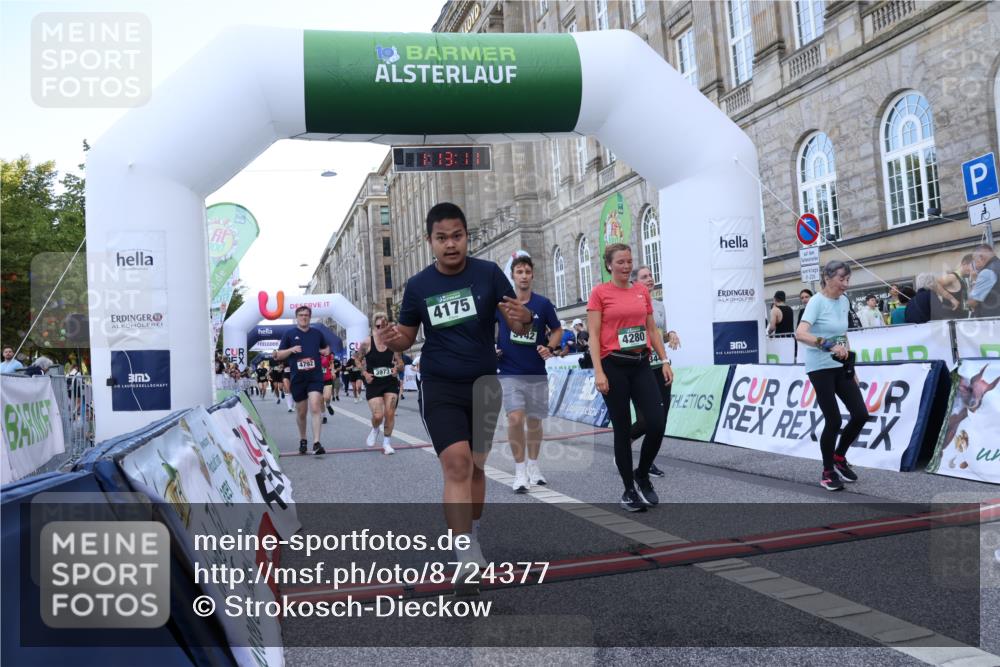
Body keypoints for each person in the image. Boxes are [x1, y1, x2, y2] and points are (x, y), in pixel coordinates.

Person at [381, 202, 533, 567]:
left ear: (466, 236)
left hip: (483, 385)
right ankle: (465, 553)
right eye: (442, 238)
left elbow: (518, 325)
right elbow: (406, 338)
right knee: (457, 464)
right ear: (429, 241)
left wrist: (525, 320)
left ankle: (470, 531)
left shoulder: (489, 274)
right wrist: (391, 338)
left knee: (477, 467)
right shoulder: (418, 286)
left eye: (457, 236)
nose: (451, 245)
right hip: (440, 385)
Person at [588, 244, 671, 512]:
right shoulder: (600, 293)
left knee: (656, 422)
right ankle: (628, 490)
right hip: (613, 366)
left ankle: (643, 473)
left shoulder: (641, 291)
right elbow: (593, 335)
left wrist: (665, 359)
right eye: (620, 262)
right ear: (609, 265)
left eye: (629, 261)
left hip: (641, 363)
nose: (626, 266)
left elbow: (652, 330)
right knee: (622, 430)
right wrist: (598, 371)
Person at [794, 260, 867, 491]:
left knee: (860, 414)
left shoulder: (844, 301)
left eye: (848, 280)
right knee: (833, 420)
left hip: (840, 366)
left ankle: (839, 457)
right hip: (820, 368)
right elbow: (800, 334)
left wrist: (852, 368)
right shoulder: (816, 302)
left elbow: (843, 334)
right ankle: (827, 472)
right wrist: (827, 345)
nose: (846, 284)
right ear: (827, 278)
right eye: (841, 279)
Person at [496, 255, 562, 493]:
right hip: (509, 371)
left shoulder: (543, 304)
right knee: (515, 418)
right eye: (519, 272)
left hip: (536, 371)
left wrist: (551, 347)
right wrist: (491, 348)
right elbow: (485, 330)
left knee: (534, 422)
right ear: (512, 276)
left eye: (527, 271)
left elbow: (556, 330)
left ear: (532, 275)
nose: (523, 276)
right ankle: (520, 470)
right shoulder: (502, 305)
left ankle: (534, 466)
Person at [628, 265, 679, 478]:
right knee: (646, 421)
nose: (650, 279)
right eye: (644, 277)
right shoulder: (629, 305)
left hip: (661, 366)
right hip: (641, 368)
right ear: (633, 282)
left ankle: (648, 462)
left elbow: (659, 334)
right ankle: (624, 444)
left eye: (651, 275)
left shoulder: (659, 305)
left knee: (660, 421)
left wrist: (672, 335)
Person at [273, 306, 330, 455]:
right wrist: (291, 350)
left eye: (306, 315)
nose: (304, 317)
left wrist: (325, 351)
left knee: (316, 406)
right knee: (301, 412)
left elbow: (326, 349)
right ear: (297, 317)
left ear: (310, 317)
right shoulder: (289, 334)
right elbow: (278, 355)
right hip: (298, 378)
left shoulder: (317, 334)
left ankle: (317, 442)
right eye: (301, 315)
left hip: (314, 377)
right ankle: (303, 439)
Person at [359, 312, 401, 456]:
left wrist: (397, 368)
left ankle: (387, 443)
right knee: (378, 415)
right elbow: (356, 360)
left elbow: (400, 363)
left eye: (384, 325)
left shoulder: (393, 342)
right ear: (374, 326)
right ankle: (375, 428)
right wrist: (364, 373)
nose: (381, 328)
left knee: (389, 414)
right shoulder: (367, 342)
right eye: (378, 326)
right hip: (374, 383)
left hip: (390, 382)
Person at [933, 254, 974, 319]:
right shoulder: (953, 277)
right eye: (972, 266)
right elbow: (935, 283)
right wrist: (951, 298)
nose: (973, 269)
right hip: (951, 320)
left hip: (961, 319)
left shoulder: (963, 279)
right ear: (964, 263)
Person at [968, 244, 1000, 318]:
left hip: (991, 322)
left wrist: (974, 280)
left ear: (981, 257)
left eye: (975, 261)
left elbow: (972, 302)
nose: (975, 266)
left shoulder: (987, 272)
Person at [320, 349, 335, 423]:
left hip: (327, 378)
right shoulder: (313, 353)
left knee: (327, 397)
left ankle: (328, 405)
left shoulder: (327, 354)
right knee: (321, 400)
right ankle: (324, 416)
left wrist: (332, 371)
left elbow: (332, 363)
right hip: (317, 380)